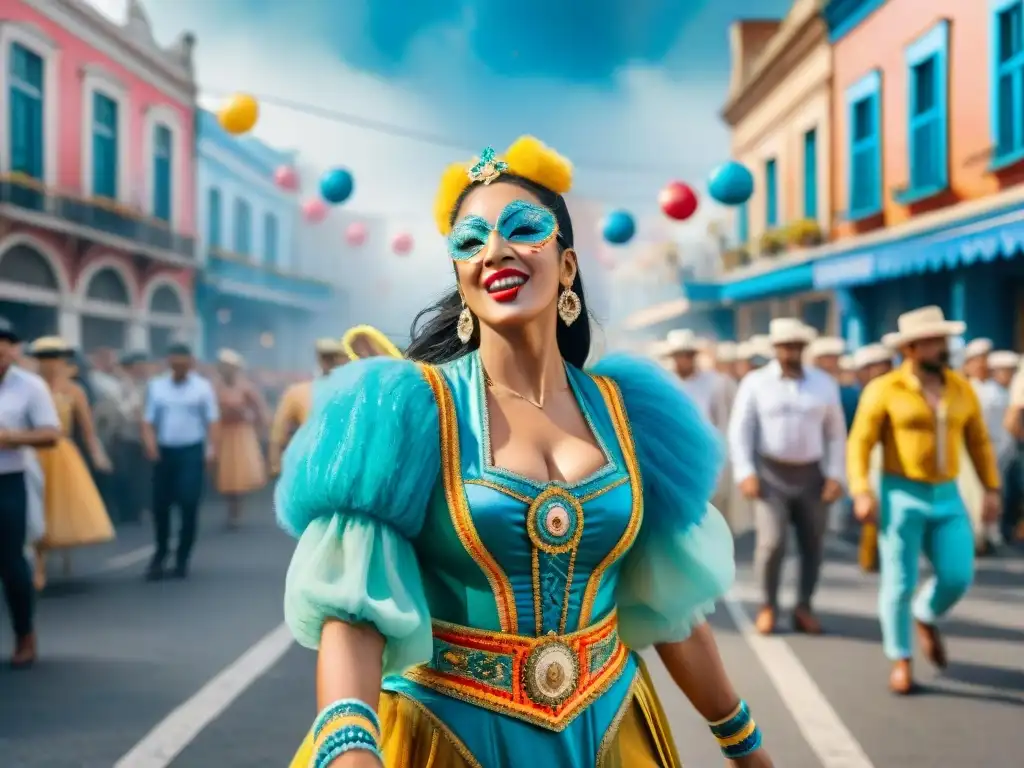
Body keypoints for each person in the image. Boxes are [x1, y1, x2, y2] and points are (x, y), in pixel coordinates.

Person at [280, 137, 771, 767]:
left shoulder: (633, 414)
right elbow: (353, 612)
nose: (495, 251)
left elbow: (670, 606)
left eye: (523, 229)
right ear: (460, 275)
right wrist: (351, 753)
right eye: (470, 240)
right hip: (448, 738)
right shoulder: (405, 410)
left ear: (567, 266)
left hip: (611, 731)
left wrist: (745, 746)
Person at [847, 306, 1000, 694]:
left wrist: (992, 489)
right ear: (911, 349)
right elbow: (860, 444)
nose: (941, 348)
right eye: (932, 342)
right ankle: (901, 658)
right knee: (898, 582)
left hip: (948, 497)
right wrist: (861, 490)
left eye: (943, 340)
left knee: (957, 574)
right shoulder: (884, 389)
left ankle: (926, 613)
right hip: (901, 494)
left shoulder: (960, 388)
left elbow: (979, 442)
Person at [728, 318, 846, 636]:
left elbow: (836, 433)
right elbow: (741, 429)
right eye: (785, 346)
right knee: (772, 543)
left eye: (796, 346)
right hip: (770, 476)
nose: (791, 352)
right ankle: (768, 605)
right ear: (775, 349)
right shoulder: (755, 383)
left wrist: (836, 474)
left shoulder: (824, 384)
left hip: (813, 476)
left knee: (813, 544)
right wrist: (745, 472)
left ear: (804, 349)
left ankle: (804, 607)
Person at [28, 337, 114, 590]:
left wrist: (98, 455)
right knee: (36, 507)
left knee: (60, 504)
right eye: (44, 359)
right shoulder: (30, 387)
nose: (49, 365)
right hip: (33, 451)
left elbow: (87, 430)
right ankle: (39, 564)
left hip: (62, 451)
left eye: (54, 359)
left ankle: (59, 550)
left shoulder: (75, 391)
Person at [0, 318, 60, 667]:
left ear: (13, 349)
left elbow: (51, 433)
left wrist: (11, 438)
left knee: (11, 563)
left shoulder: (30, 387)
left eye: (6, 342)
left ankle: (25, 634)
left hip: (9, 480)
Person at [141, 342, 219, 580]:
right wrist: (151, 445)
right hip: (165, 452)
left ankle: (182, 556)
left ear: (191, 364)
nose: (179, 368)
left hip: (191, 452)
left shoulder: (202, 388)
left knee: (188, 504)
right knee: (160, 506)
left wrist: (211, 450)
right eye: (175, 364)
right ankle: (161, 552)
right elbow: (148, 420)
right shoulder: (156, 387)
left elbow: (212, 420)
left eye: (183, 364)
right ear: (169, 363)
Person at [268, 338, 348, 477]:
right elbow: (279, 431)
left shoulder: (354, 392)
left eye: (334, 358)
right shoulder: (298, 392)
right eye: (328, 358)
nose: (332, 363)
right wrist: (275, 462)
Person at [848, 343, 895, 572]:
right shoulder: (863, 393)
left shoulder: (895, 390)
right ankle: (869, 556)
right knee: (872, 506)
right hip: (870, 454)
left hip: (893, 457)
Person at [212, 349, 269, 529]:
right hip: (224, 433)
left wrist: (259, 428)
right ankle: (230, 507)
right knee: (226, 473)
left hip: (241, 434)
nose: (226, 370)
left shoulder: (245, 387)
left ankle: (237, 510)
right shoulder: (215, 387)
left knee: (239, 473)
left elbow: (260, 409)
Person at [111, 351, 151, 524]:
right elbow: (121, 410)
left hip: (143, 437)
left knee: (141, 476)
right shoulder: (120, 386)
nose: (141, 369)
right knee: (124, 475)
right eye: (137, 366)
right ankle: (125, 511)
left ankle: (138, 510)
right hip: (124, 436)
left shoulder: (150, 386)